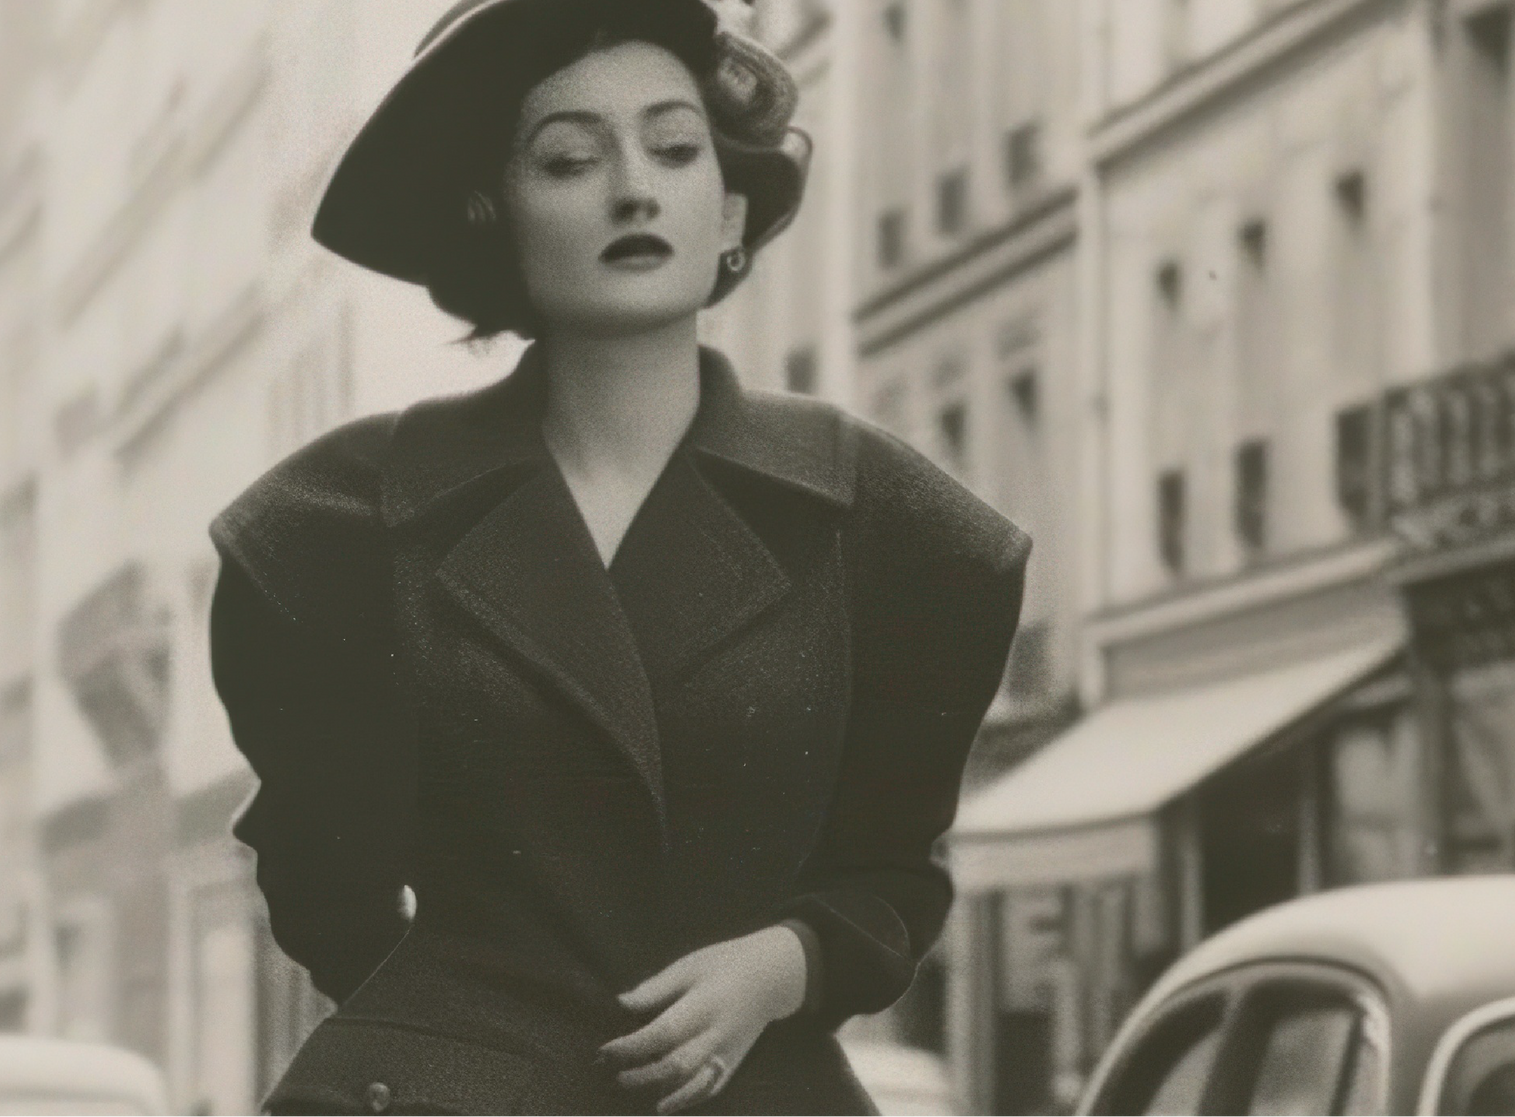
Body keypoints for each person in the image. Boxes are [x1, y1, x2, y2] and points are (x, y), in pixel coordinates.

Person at [208, 2, 1029, 1115]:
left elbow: (893, 873)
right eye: (568, 159)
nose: (633, 188)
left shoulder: (884, 523)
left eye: (676, 147)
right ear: (493, 214)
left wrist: (781, 965)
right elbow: (321, 880)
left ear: (731, 209)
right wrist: (475, 1034)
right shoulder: (350, 523)